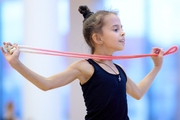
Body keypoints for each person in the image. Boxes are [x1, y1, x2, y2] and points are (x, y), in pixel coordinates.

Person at [1, 5, 164, 120]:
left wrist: (156, 67)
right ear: (97, 38)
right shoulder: (85, 67)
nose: (123, 32)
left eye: (121, 27)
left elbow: (138, 93)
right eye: (116, 29)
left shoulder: (119, 69)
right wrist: (16, 64)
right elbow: (46, 84)